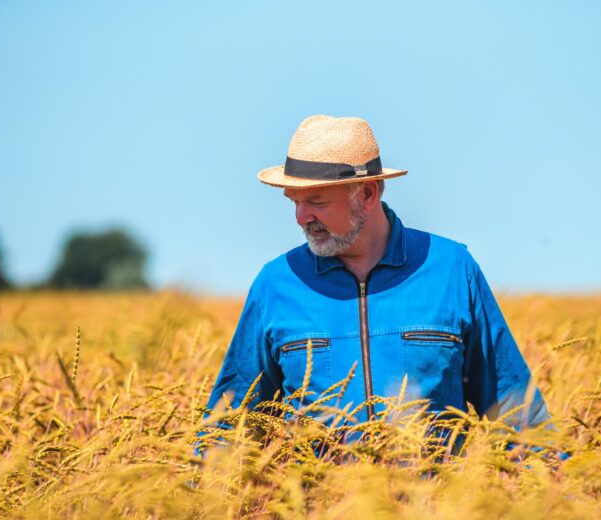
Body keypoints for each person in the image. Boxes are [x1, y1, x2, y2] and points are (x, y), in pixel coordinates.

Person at [204, 114, 551, 436]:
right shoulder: (276, 284)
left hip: (435, 502)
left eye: (316, 201)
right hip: (320, 502)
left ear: (367, 194)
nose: (301, 217)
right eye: (293, 201)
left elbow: (518, 413)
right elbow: (228, 425)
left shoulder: (452, 270)